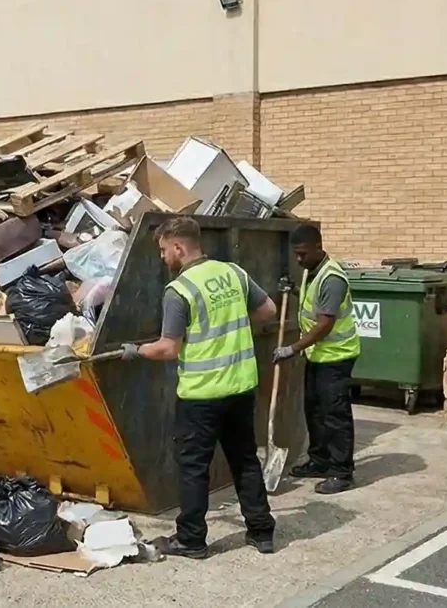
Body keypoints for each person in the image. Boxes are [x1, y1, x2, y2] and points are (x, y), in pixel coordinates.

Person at [123, 216, 277, 559]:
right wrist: (232, 328)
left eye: (164, 250)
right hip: (240, 387)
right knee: (245, 460)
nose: (163, 258)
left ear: (179, 247)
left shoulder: (180, 290)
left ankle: (192, 539)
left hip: (201, 395)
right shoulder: (233, 273)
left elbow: (168, 348)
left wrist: (135, 351)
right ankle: (261, 531)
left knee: (194, 469)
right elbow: (269, 310)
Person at [273, 224, 361, 495]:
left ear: (317, 247)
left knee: (335, 414)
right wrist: (295, 291)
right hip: (318, 356)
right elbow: (315, 305)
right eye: (295, 254)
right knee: (314, 409)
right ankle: (320, 460)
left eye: (302, 254)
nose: (298, 259)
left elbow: (324, 324)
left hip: (336, 357)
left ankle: (341, 471)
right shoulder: (312, 273)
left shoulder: (332, 278)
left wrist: (292, 348)